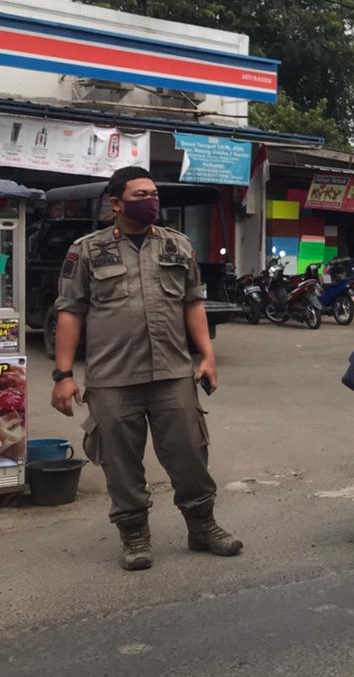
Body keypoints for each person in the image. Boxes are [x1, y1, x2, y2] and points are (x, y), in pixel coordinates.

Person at [51, 166, 240, 571]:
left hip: (172, 373)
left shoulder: (177, 245)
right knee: (120, 463)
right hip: (113, 379)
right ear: (116, 203)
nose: (150, 201)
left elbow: (192, 302)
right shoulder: (86, 250)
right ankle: (134, 534)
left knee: (191, 455)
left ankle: (202, 527)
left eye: (153, 193)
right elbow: (70, 312)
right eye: (140, 195)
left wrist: (206, 355)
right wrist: (63, 375)